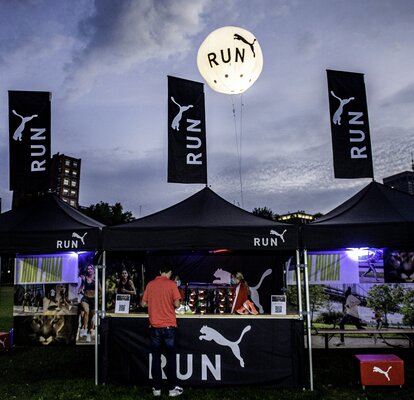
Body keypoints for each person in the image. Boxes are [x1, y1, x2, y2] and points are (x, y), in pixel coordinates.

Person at [141, 265, 183, 397]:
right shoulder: (171, 284)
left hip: (154, 328)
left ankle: (157, 389)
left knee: (156, 359)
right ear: (170, 272)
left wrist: (154, 302)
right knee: (171, 359)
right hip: (169, 327)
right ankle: (172, 389)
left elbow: (143, 304)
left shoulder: (150, 284)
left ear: (160, 271)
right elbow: (177, 304)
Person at [78, 264, 99, 343]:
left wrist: (96, 283)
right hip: (85, 298)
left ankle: (89, 333)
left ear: (93, 270)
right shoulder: (84, 278)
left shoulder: (96, 279)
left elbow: (100, 289)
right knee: (86, 311)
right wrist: (79, 291)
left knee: (91, 317)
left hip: (93, 299)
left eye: (91, 269)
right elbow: (81, 287)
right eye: (88, 269)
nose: (89, 270)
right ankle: (84, 329)